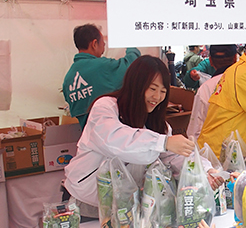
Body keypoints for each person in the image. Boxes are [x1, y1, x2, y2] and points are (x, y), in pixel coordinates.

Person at [64, 55, 221, 207]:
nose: (157, 97)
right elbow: (116, 140)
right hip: (86, 202)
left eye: (163, 91)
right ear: (136, 84)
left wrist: (205, 170)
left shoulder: (158, 125)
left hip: (124, 206)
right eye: (152, 88)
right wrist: (164, 143)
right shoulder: (105, 108)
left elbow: (174, 157)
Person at [62, 24, 141, 129]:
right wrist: (130, 43)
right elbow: (133, 65)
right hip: (111, 136)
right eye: (103, 41)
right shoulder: (103, 67)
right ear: (94, 44)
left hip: (88, 139)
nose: (104, 45)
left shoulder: (68, 80)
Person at [187, 44, 239, 140]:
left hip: (212, 150)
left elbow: (194, 132)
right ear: (235, 58)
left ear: (210, 60)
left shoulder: (205, 88)